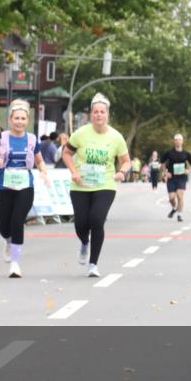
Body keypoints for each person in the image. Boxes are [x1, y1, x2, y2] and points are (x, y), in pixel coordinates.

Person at [60, 93, 131, 278]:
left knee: (97, 220)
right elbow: (66, 153)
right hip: (81, 184)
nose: (99, 115)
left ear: (108, 114)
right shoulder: (81, 133)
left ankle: (93, 264)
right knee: (81, 224)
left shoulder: (116, 137)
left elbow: (126, 161)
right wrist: (74, 171)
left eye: (102, 112)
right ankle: (84, 243)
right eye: (95, 112)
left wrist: (122, 172)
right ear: (91, 114)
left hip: (105, 184)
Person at [0, 100, 50, 278]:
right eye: (16, 118)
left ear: (27, 120)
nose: (19, 121)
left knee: (17, 221)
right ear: (10, 119)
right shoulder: (0, 138)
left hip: (25, 186)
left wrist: (43, 171)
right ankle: (8, 240)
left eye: (23, 118)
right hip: (3, 186)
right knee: (5, 226)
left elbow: (39, 160)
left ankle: (15, 263)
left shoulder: (32, 139)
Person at [161, 133, 191, 222]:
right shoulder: (169, 153)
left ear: (182, 141)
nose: (178, 141)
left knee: (179, 195)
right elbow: (162, 164)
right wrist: (165, 173)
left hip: (182, 177)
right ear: (174, 142)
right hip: (172, 178)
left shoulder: (186, 154)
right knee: (171, 198)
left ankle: (180, 214)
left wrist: (188, 171)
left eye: (179, 140)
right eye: (176, 140)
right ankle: (174, 207)